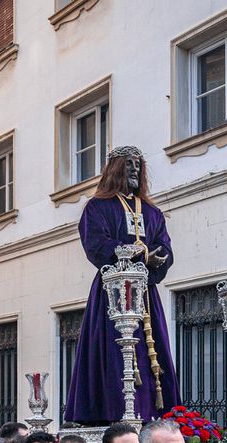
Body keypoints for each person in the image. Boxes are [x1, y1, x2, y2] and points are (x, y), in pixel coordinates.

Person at [63, 146, 181, 422]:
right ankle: (110, 413)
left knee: (152, 354)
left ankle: (154, 413)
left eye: (138, 166)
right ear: (116, 169)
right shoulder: (97, 208)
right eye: (129, 166)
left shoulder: (152, 213)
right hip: (111, 293)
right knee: (111, 351)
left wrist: (157, 258)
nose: (135, 171)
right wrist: (141, 254)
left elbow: (165, 247)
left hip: (146, 296)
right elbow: (96, 243)